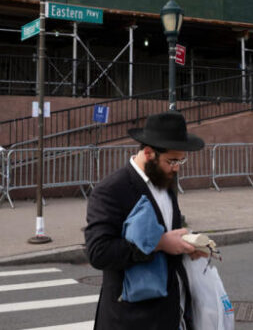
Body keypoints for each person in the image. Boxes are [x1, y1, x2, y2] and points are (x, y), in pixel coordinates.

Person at [85, 111, 207, 330]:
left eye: (181, 160)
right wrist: (159, 243)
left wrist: (187, 244)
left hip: (169, 312)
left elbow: (168, 230)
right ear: (149, 153)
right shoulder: (111, 190)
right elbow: (98, 252)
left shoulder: (164, 181)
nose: (177, 167)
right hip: (131, 319)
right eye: (172, 161)